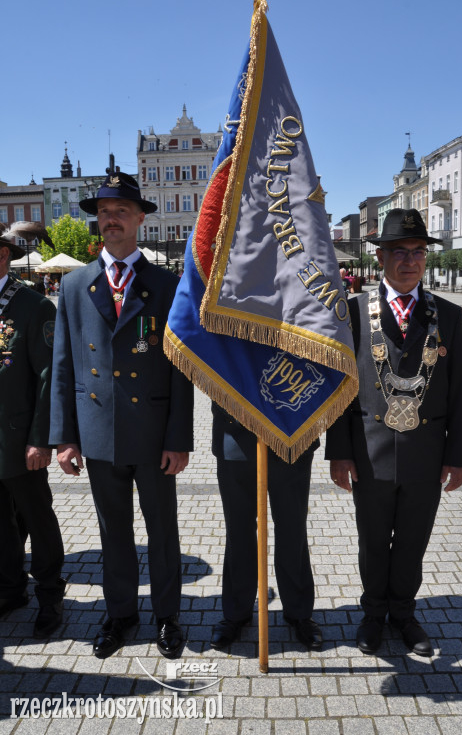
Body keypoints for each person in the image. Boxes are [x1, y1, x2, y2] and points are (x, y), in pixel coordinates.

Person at [50, 173, 194, 659]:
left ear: (140, 220)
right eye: (104, 211)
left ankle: (168, 616)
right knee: (113, 534)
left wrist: (179, 439)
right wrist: (65, 437)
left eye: (121, 211)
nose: (111, 219)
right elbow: (64, 366)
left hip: (153, 436)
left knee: (162, 532)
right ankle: (120, 614)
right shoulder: (73, 285)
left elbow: (180, 369)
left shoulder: (167, 284)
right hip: (98, 434)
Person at [326, 208, 462, 657]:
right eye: (399, 252)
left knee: (412, 540)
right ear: (381, 257)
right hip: (369, 453)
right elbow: (341, 389)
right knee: (372, 539)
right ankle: (372, 616)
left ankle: (404, 615)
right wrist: (339, 452)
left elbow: (459, 391)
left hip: (427, 453)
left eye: (417, 252)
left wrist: (458, 455)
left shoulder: (448, 314)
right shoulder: (351, 312)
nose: (410, 261)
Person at [210, 404, 322, 651]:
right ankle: (237, 612)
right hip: (235, 433)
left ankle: (299, 612)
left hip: (292, 428)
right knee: (238, 530)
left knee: (292, 529)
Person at [0, 226, 65, 638]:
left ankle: (49, 596)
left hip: (19, 440)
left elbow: (48, 377)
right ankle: (10, 590)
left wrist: (41, 439)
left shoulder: (33, 306)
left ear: (4, 257)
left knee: (37, 520)